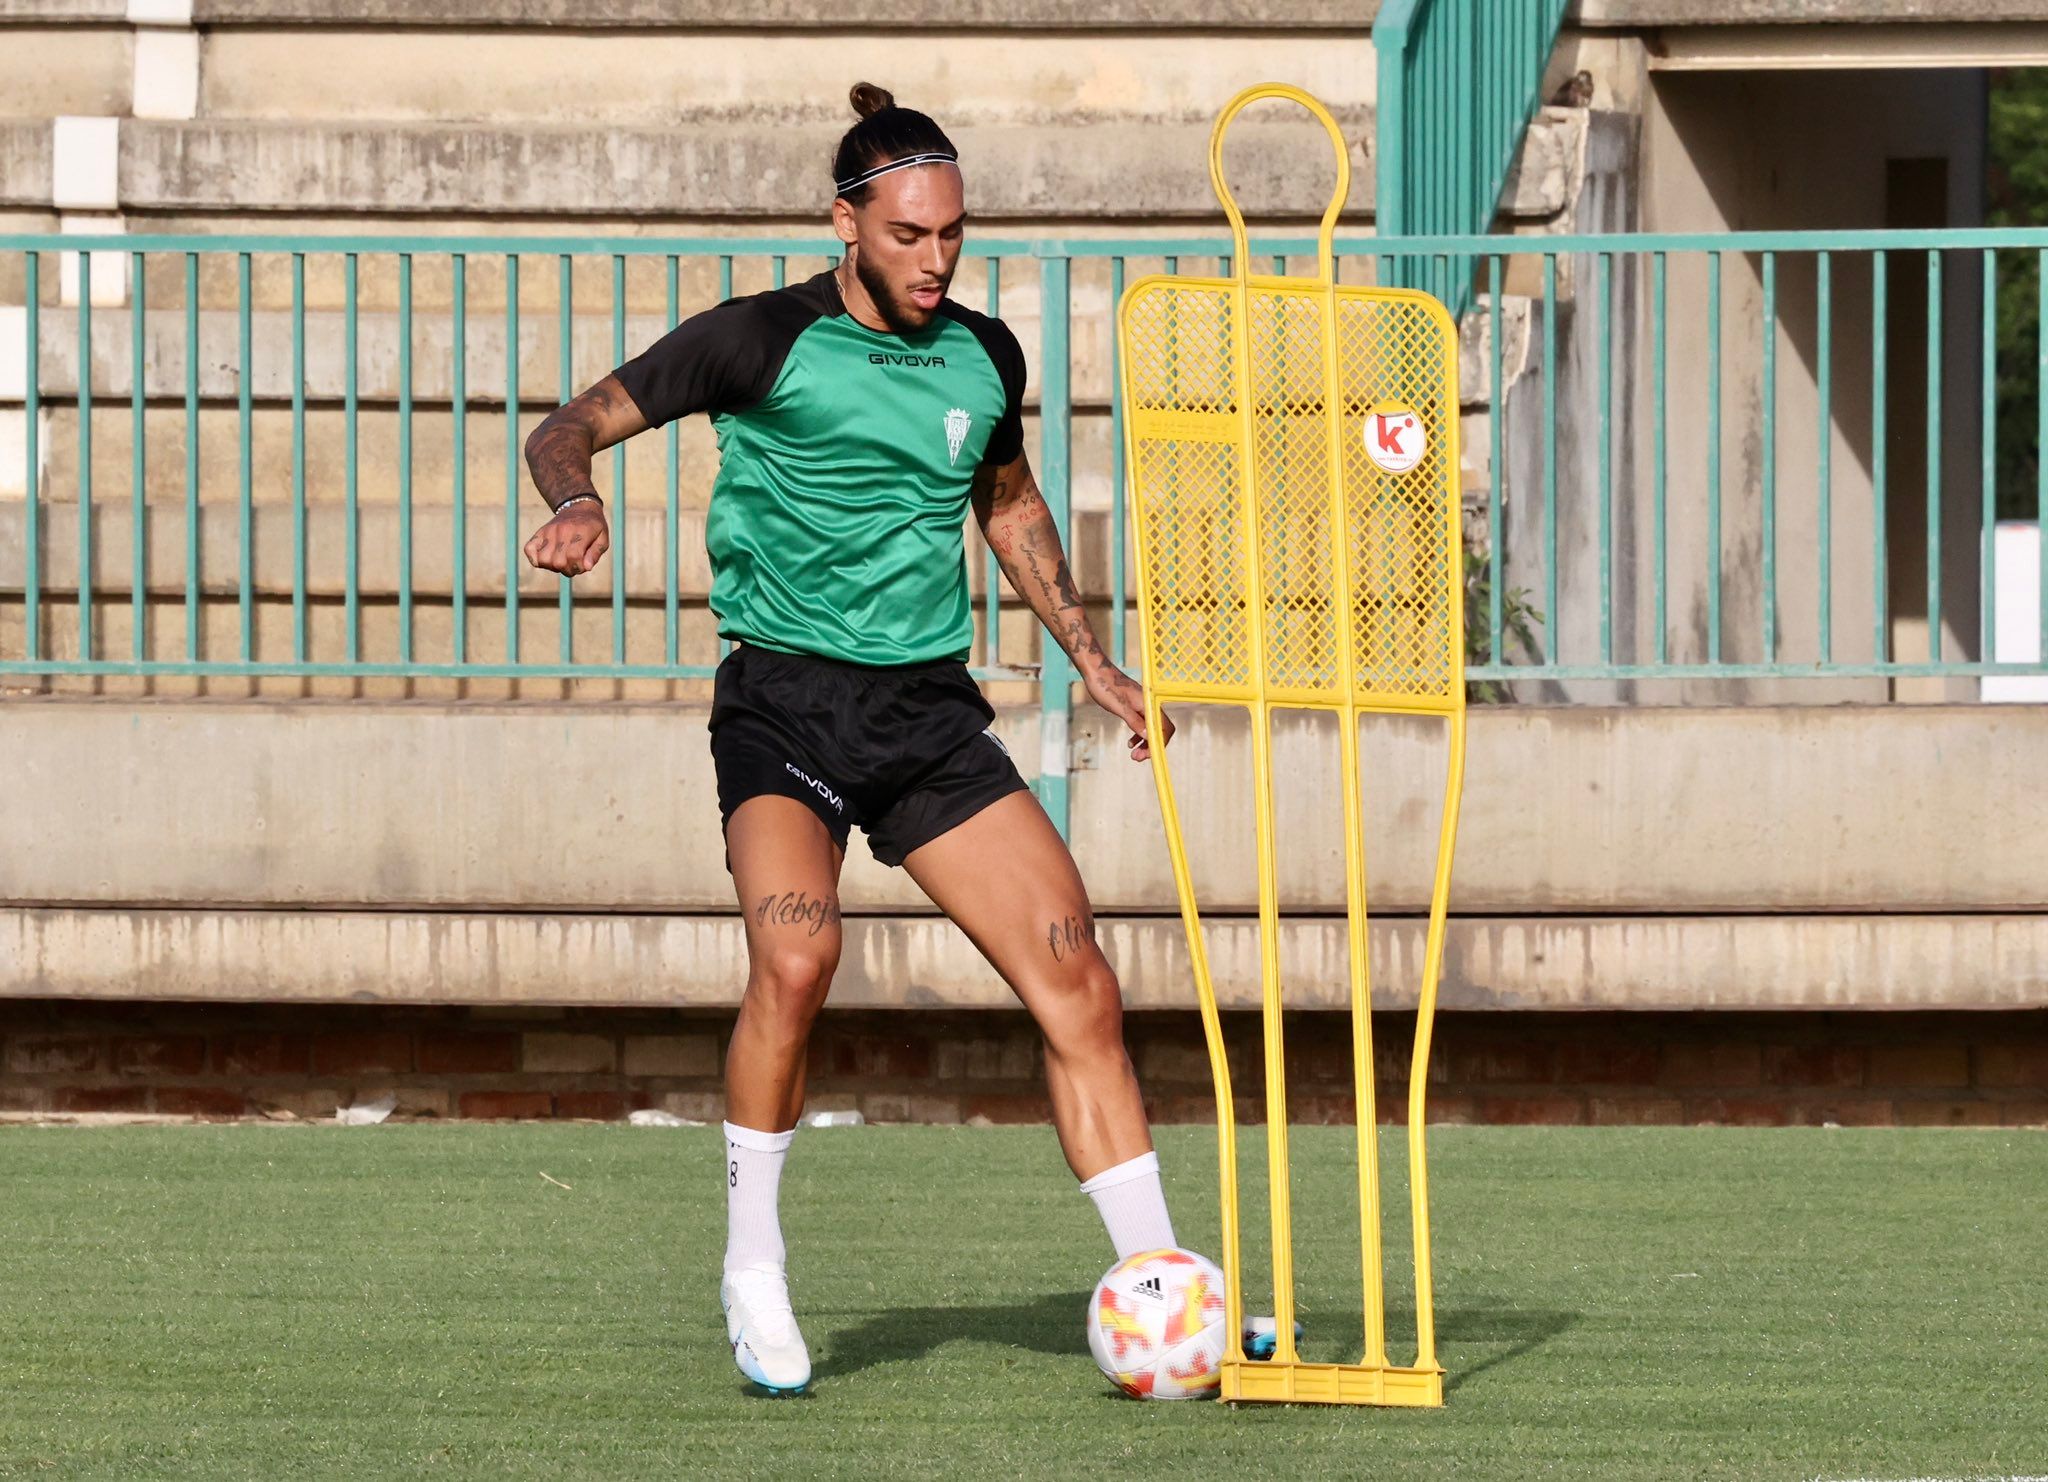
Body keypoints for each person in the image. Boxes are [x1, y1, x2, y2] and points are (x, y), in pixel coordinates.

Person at [522, 83, 1182, 1395]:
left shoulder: (986, 354)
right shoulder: (757, 339)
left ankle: (1159, 1283)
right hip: (785, 705)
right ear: (847, 222)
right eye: (909, 235)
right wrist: (578, 498)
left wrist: (1092, 657)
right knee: (798, 953)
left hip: (923, 715)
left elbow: (1008, 505)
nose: (938, 260)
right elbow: (570, 423)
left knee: (1078, 980)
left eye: (953, 233)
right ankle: (753, 1264)